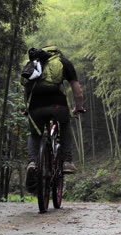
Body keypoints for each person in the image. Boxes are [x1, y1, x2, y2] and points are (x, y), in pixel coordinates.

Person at [22, 46, 85, 192]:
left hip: (35, 107)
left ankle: (32, 162)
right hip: (58, 106)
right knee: (65, 124)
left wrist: (27, 109)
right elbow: (78, 92)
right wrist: (78, 107)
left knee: (35, 134)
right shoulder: (63, 62)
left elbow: (26, 91)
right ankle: (67, 161)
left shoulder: (31, 63)